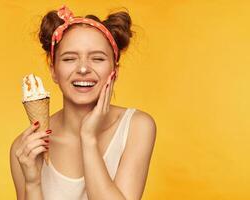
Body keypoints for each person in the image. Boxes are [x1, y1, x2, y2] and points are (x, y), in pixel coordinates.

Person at [10, 5, 156, 200]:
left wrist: (88, 137)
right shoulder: (25, 149)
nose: (84, 69)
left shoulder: (137, 127)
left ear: (115, 70)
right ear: (53, 70)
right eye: (70, 58)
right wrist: (33, 183)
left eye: (97, 58)